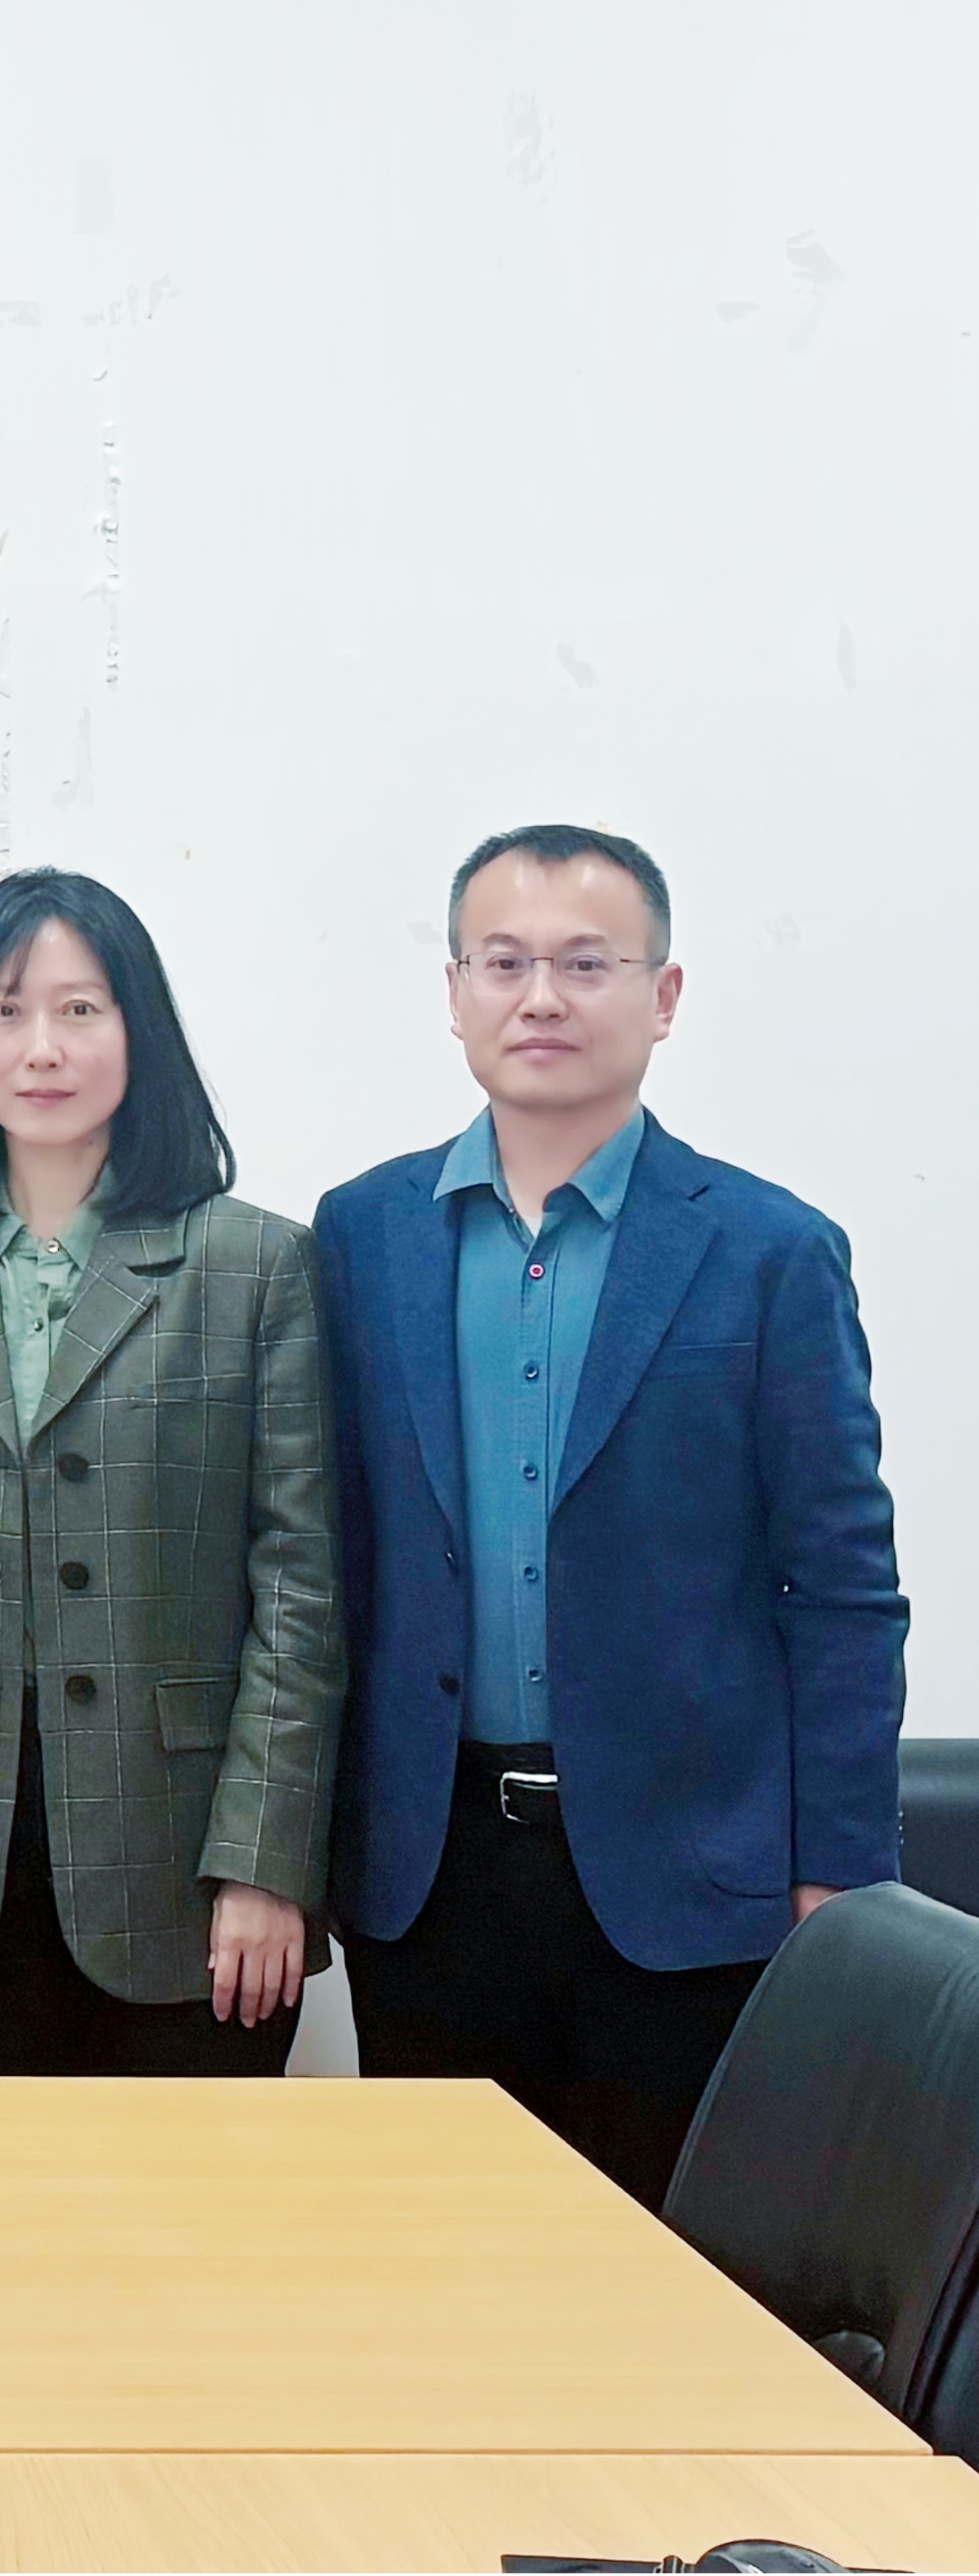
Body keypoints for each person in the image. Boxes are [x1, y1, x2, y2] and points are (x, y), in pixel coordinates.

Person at [316, 824, 902, 2204]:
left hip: (692, 1879)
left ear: (664, 994)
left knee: (676, 2276)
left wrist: (842, 1883)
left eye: (587, 964)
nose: (543, 998)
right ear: (454, 991)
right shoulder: (361, 1235)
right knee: (443, 2262)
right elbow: (328, 1561)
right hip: (429, 1872)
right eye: (504, 962)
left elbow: (841, 1589)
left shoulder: (768, 1251)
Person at [0, 871, 340, 2075]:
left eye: (79, 1010)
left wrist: (265, 1865)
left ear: (137, 1029)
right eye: (4, 1011)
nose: (41, 1048)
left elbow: (302, 1590)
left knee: (191, 2196)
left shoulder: (253, 1266)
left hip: (187, 1863)